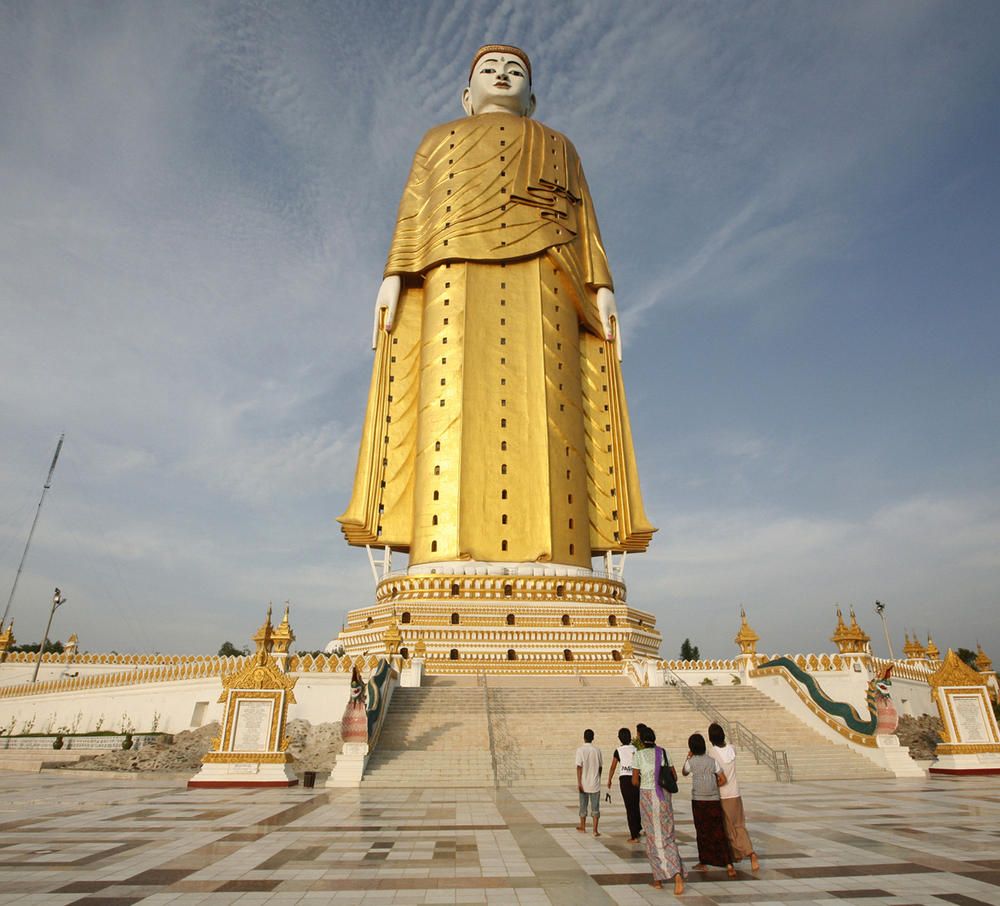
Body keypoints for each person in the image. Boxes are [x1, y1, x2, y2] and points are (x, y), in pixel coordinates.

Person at [339, 43, 655, 569]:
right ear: (467, 96)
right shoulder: (439, 140)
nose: (504, 75)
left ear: (532, 100)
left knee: (555, 414)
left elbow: (586, 226)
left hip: (548, 280)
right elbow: (415, 210)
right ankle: (439, 558)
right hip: (453, 277)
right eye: (491, 69)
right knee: (446, 407)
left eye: (516, 71)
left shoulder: (559, 146)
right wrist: (394, 275)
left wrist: (603, 288)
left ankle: (561, 559)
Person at [631, 725, 685, 894]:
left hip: (648, 798)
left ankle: (659, 879)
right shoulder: (664, 753)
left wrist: (646, 781)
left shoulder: (638, 755)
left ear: (641, 740)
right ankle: (676, 873)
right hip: (665, 799)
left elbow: (634, 781)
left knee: (652, 837)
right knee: (668, 835)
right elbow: (674, 777)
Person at [682, 733, 736, 878]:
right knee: (718, 831)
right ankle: (728, 864)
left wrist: (688, 757)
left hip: (698, 800)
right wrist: (713, 786)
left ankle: (704, 861)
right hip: (713, 800)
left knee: (702, 831)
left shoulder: (691, 761)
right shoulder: (712, 761)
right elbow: (722, 779)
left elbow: (684, 772)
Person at [708, 722, 760, 872]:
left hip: (723, 795)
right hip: (735, 793)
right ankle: (747, 854)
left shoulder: (712, 753)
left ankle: (744, 854)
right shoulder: (731, 749)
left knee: (728, 829)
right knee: (739, 825)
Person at [607, 727, 641, 843]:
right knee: (636, 805)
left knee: (629, 807)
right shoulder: (636, 749)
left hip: (625, 779)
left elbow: (613, 766)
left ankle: (634, 835)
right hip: (637, 777)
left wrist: (609, 779)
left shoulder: (618, 750)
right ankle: (638, 828)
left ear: (620, 738)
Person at [576, 728, 603, 836]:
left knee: (583, 805)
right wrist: (598, 777)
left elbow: (579, 767)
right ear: (593, 738)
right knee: (595, 806)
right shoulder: (597, 750)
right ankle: (595, 830)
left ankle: (583, 826)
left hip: (584, 782)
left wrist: (579, 782)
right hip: (595, 782)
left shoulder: (580, 750)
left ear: (584, 737)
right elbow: (600, 767)